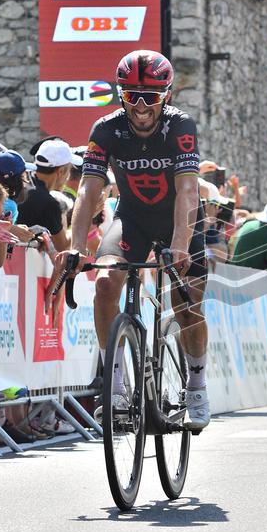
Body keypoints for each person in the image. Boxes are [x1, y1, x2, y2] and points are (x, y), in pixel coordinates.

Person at [49, 49, 211, 430]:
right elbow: (88, 191)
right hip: (132, 220)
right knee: (105, 283)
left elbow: (188, 191)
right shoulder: (106, 130)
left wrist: (181, 244)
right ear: (120, 94)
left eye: (150, 97)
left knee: (187, 305)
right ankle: (116, 385)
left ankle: (197, 385)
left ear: (166, 95)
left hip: (180, 221)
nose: (140, 106)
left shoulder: (180, 126)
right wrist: (76, 246)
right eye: (131, 95)